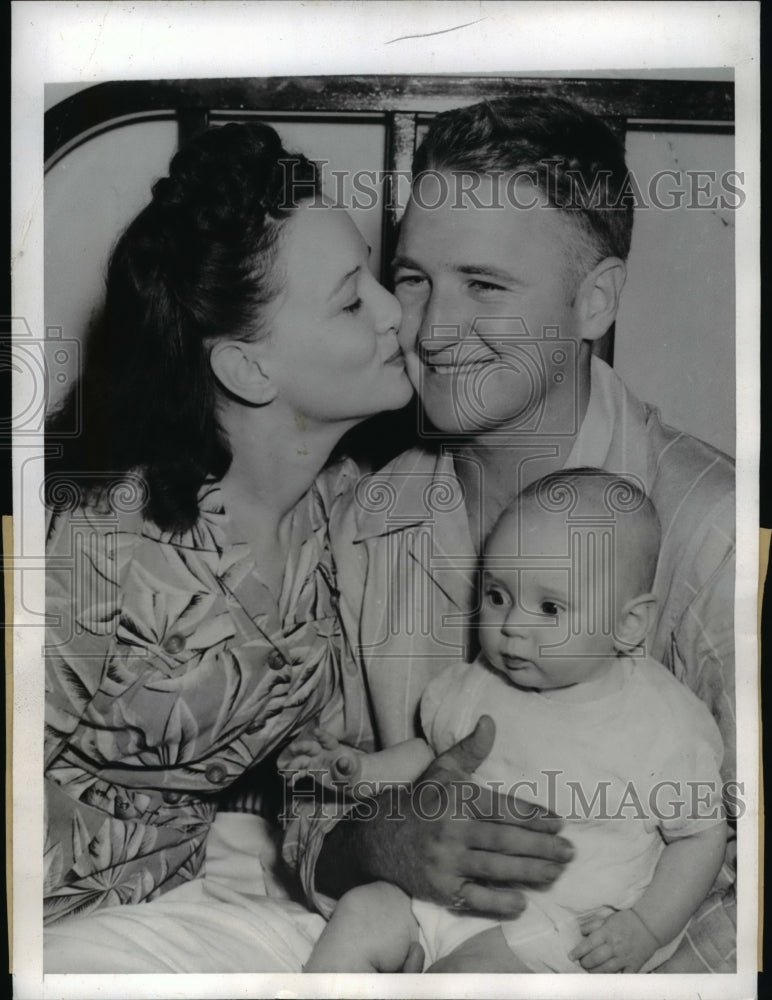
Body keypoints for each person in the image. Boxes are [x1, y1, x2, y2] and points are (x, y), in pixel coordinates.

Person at [290, 96, 736, 973]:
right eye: (413, 279)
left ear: (595, 301)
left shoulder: (714, 534)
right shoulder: (358, 522)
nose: (431, 331)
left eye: (485, 286)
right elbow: (306, 792)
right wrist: (375, 843)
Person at [42, 120, 424, 971]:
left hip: (165, 912)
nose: (394, 310)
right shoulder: (104, 537)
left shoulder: (348, 520)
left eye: (372, 275)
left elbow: (318, 778)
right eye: (351, 299)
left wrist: (374, 862)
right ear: (248, 369)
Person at [286, 469, 727, 974]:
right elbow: (434, 754)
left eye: (549, 607)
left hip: (554, 924)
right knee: (361, 912)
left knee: (463, 978)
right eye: (498, 596)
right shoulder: (482, 682)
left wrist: (647, 927)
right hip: (439, 890)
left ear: (628, 623)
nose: (513, 626)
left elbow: (701, 837)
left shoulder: (662, 723)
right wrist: (363, 771)